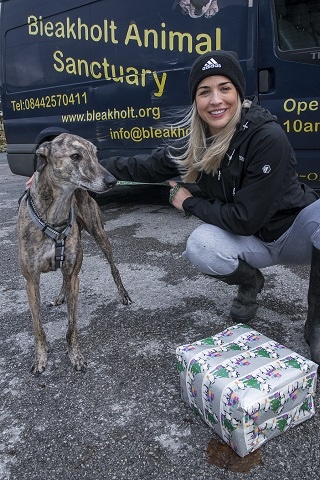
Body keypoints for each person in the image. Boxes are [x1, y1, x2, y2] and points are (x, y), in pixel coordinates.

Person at [101, 50, 320, 364]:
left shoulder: (266, 137)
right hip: (254, 242)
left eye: (224, 88)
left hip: (294, 232)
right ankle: (250, 281)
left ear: (238, 94)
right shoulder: (196, 143)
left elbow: (243, 219)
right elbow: (143, 166)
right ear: (196, 101)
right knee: (201, 245)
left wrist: (190, 202)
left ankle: (316, 324)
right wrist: (85, 166)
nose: (216, 100)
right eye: (205, 91)